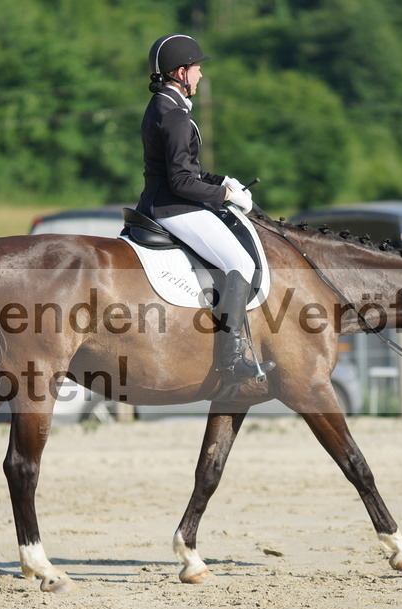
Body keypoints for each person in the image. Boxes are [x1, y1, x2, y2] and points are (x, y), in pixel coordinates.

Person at [136, 34, 275, 392]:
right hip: (173, 207)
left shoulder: (164, 106)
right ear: (180, 72)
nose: (200, 76)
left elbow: (186, 170)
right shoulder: (176, 116)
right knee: (240, 265)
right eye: (196, 69)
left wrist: (223, 180)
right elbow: (182, 182)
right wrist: (224, 194)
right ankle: (230, 362)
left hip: (161, 199)